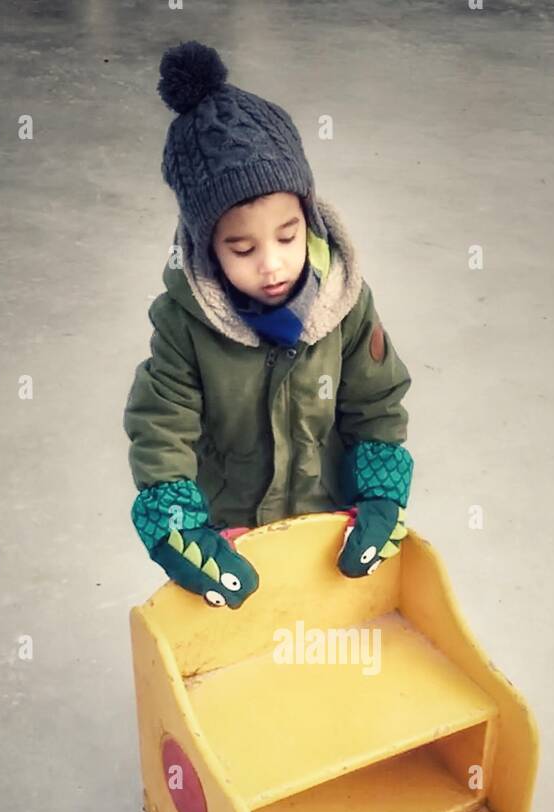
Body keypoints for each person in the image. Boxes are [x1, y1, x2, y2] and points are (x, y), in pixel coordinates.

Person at [123, 40, 416, 609]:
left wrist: (379, 492)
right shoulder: (186, 326)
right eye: (241, 247)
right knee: (246, 646)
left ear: (306, 218)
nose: (272, 263)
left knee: (318, 642)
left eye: (286, 236)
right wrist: (177, 523)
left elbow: (376, 402)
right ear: (208, 250)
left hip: (327, 524)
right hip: (232, 532)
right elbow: (162, 425)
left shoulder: (344, 303)